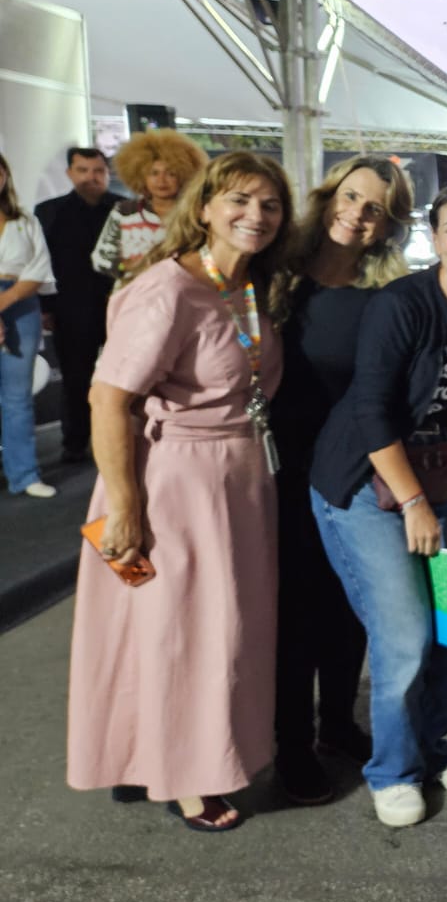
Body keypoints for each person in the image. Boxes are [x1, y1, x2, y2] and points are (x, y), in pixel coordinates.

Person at [66, 151, 291, 831]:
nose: (255, 215)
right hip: (172, 484)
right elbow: (107, 399)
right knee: (180, 634)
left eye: (270, 204)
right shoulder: (167, 288)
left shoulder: (249, 285)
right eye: (240, 200)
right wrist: (124, 509)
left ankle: (159, 755)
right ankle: (185, 776)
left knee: (218, 631)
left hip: (238, 480)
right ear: (206, 207)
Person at [310, 184, 447, 828]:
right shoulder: (402, 305)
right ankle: (392, 771)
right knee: (404, 634)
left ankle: (432, 745)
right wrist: (414, 501)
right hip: (366, 489)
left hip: (438, 484)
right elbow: (372, 410)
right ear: (435, 238)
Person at [267, 155, 414, 804]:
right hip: (280, 470)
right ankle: (292, 746)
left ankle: (336, 723)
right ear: (328, 196)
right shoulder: (276, 277)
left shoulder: (387, 297)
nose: (356, 213)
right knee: (296, 614)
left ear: (388, 225)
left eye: (374, 207)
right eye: (350, 196)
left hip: (350, 472)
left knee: (349, 608)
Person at [35, 147, 115, 463]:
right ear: (70, 173)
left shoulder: (124, 210)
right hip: (70, 309)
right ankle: (76, 443)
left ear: (107, 174)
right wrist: (46, 307)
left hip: (120, 308)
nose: (90, 177)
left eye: (98, 171)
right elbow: (41, 264)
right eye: (82, 170)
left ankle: (127, 436)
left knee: (126, 376)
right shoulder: (49, 212)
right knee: (75, 379)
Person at [0, 150, 58, 497]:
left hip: (21, 302)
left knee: (17, 397)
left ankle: (24, 474)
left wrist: (3, 302)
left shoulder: (25, 219)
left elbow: (39, 269)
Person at [93, 129, 209, 283]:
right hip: (133, 292)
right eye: (154, 173)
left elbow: (209, 256)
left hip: (183, 291)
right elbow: (100, 258)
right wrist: (126, 266)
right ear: (141, 176)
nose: (161, 180)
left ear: (184, 176)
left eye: (171, 174)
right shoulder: (124, 211)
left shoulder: (195, 214)